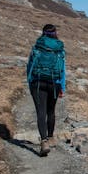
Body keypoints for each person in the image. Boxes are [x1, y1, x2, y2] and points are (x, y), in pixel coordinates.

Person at [26, 24, 66, 156]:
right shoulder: (59, 49)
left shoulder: (37, 47)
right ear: (55, 33)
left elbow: (30, 66)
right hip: (54, 83)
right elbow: (62, 70)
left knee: (41, 112)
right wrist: (62, 87)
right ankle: (50, 137)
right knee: (51, 111)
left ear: (43, 33)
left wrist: (30, 82)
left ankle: (43, 141)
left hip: (38, 83)